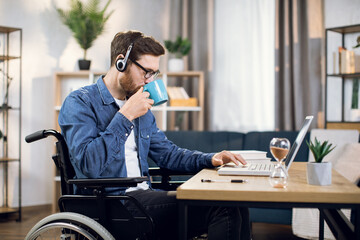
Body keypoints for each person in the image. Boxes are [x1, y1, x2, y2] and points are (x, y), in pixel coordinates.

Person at [58, 30, 251, 240]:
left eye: (154, 74)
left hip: (144, 198)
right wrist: (126, 115)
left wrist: (211, 158)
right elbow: (89, 165)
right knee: (222, 208)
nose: (149, 81)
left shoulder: (141, 108)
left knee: (236, 202)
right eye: (146, 72)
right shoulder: (80, 102)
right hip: (113, 204)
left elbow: (169, 154)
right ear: (121, 62)